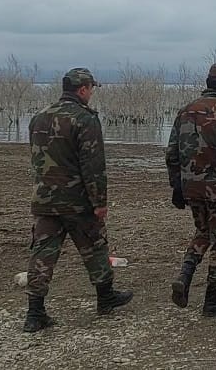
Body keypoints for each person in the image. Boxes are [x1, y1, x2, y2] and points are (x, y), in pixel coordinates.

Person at [23, 68, 133, 333]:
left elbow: (37, 159)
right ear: (83, 89)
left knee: (42, 256)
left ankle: (35, 312)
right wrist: (100, 201)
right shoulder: (85, 119)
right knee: (95, 247)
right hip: (77, 201)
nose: (92, 93)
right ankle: (105, 297)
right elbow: (93, 165)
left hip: (45, 200)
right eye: (91, 88)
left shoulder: (39, 118)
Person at [165, 63, 216, 317]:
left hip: (192, 188)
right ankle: (212, 299)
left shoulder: (185, 111)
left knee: (203, 231)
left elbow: (171, 153)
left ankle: (185, 275)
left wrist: (177, 186)